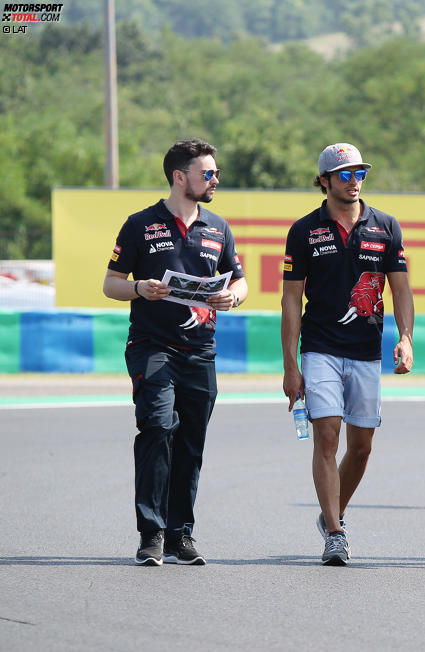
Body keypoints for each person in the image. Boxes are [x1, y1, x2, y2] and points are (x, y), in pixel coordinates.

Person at [103, 138, 248, 566]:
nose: (215, 179)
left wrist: (233, 298)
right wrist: (138, 289)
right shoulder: (140, 224)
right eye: (208, 173)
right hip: (152, 346)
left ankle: (181, 534)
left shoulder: (219, 228)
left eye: (216, 173)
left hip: (201, 351)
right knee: (157, 427)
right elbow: (110, 283)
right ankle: (151, 532)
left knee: (191, 441)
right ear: (179, 177)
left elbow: (239, 281)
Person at [281, 143, 414, 566]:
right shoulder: (303, 230)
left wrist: (406, 337)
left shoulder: (386, 226)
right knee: (326, 436)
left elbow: (402, 289)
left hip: (366, 351)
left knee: (361, 448)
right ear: (323, 181)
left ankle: (329, 513)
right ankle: (336, 533)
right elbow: (290, 300)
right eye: (344, 175)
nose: (354, 182)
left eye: (359, 174)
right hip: (319, 348)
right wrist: (290, 364)